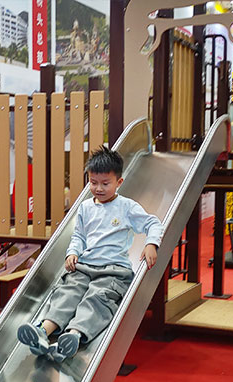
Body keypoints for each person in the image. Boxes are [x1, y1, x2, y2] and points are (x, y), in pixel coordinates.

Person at [17, 146, 163, 363]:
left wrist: (151, 244)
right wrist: (72, 253)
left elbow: (153, 223)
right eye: (93, 182)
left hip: (114, 271)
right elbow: (79, 236)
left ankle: (74, 334)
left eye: (105, 183)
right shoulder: (85, 207)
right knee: (68, 292)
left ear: (119, 182)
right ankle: (43, 331)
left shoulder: (126, 207)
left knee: (97, 298)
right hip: (84, 267)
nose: (99, 188)